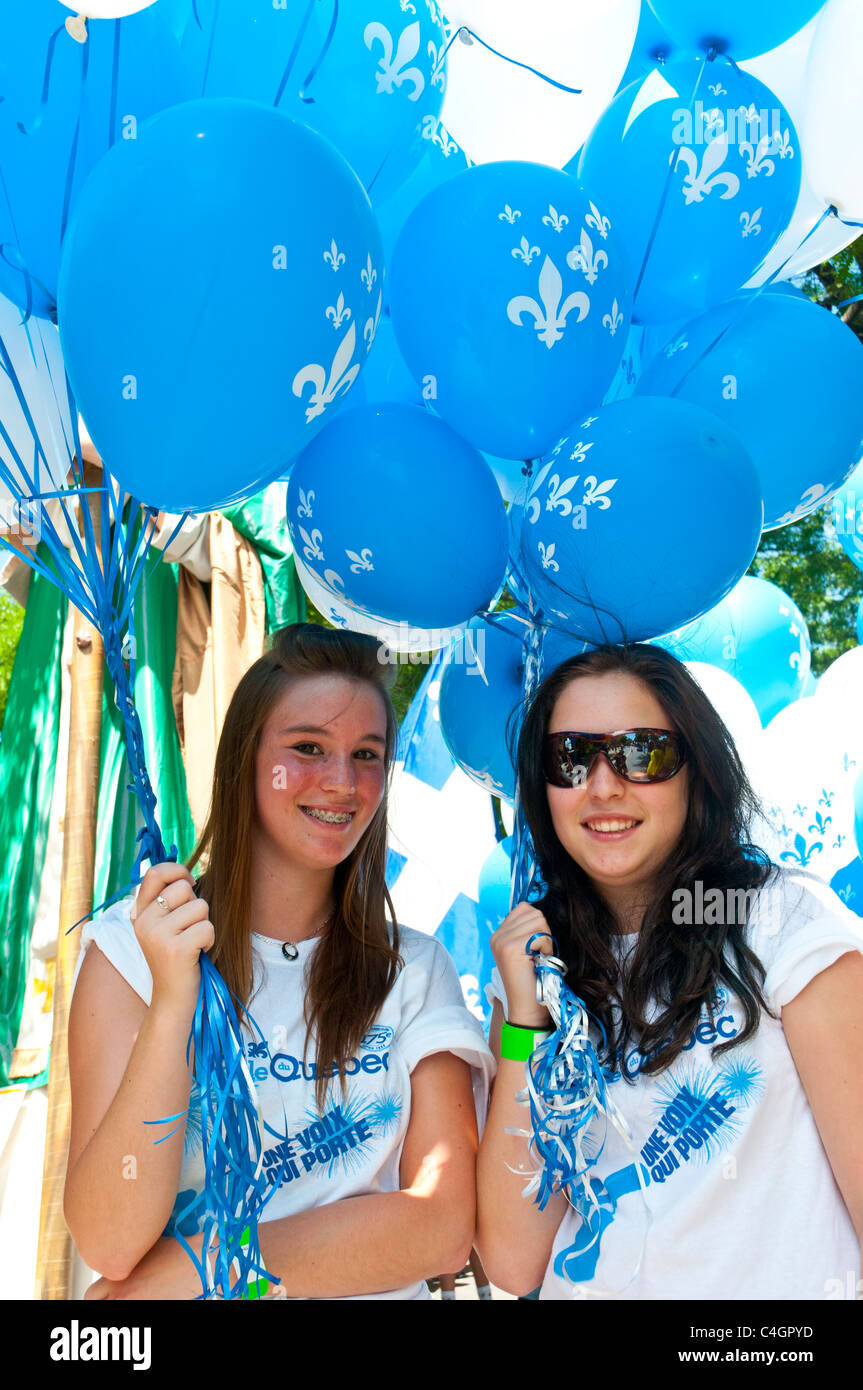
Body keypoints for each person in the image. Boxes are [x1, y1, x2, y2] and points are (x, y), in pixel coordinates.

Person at [66, 623, 493, 1300]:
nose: (341, 781)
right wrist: (176, 1001)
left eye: (366, 754)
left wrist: (203, 1267)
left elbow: (441, 1225)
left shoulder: (412, 968)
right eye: (307, 748)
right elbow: (110, 1241)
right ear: (244, 759)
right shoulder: (131, 951)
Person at [477, 643, 863, 1300]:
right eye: (569, 756)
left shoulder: (781, 921)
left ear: (697, 768)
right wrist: (524, 1025)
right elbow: (513, 1263)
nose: (602, 785)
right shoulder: (534, 965)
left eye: (641, 752)